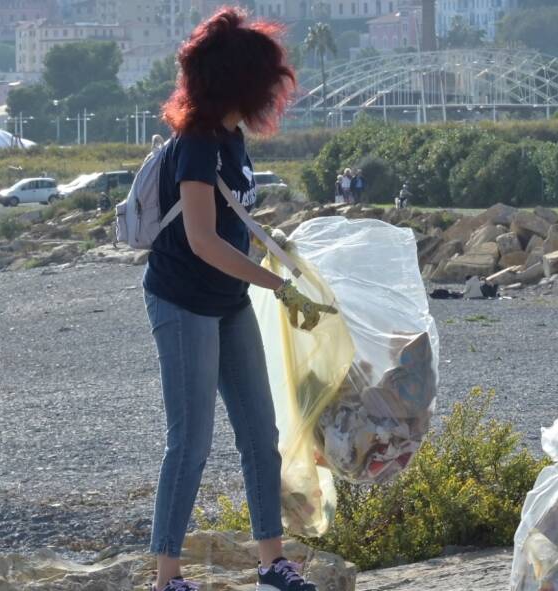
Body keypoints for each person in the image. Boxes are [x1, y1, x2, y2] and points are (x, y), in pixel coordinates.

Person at [142, 9, 336, 591]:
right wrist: (276, 284)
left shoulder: (230, 136)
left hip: (227, 299)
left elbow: (234, 220)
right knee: (191, 441)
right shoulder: (198, 143)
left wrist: (284, 263)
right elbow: (201, 241)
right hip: (182, 301)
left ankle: (271, 561)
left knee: (260, 432)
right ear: (239, 81)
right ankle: (167, 576)